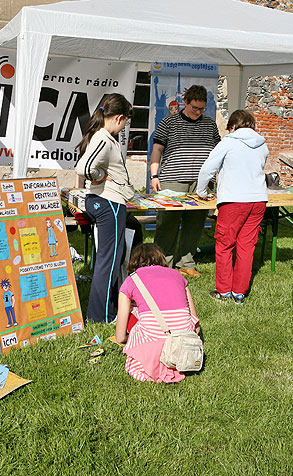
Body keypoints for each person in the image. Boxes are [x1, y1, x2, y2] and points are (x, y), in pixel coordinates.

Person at [196, 109, 268, 304]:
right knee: (246, 247)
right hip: (258, 199)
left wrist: (201, 192)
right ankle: (239, 293)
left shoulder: (228, 142)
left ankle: (224, 290)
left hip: (234, 200)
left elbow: (207, 169)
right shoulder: (262, 144)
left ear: (233, 127)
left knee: (225, 245)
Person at [74, 93, 134, 323]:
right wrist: (100, 175)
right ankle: (100, 315)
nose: (125, 126)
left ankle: (108, 309)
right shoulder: (104, 138)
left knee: (110, 258)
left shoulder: (103, 137)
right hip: (109, 202)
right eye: (125, 122)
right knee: (108, 261)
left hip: (107, 200)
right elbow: (84, 167)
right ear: (119, 118)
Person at [149, 85, 220, 278]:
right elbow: (157, 150)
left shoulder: (210, 124)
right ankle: (162, 264)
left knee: (195, 224)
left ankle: (186, 263)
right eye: (194, 108)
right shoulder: (169, 122)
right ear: (185, 103)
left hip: (201, 183)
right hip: (172, 180)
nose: (198, 112)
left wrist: (217, 179)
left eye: (202, 109)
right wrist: (154, 175)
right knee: (167, 224)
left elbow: (218, 154)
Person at [115, 243, 200, 383]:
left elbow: (119, 338)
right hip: (185, 344)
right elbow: (195, 324)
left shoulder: (131, 280)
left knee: (133, 310)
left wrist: (127, 339)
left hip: (153, 348)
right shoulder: (178, 275)